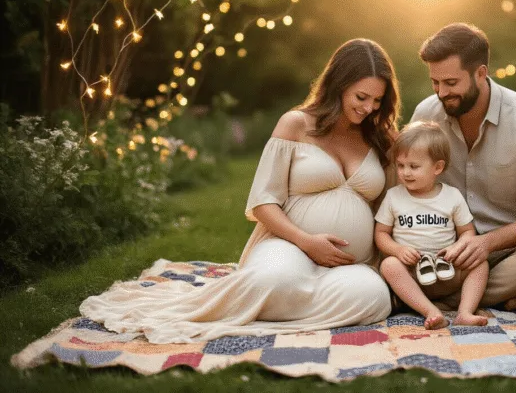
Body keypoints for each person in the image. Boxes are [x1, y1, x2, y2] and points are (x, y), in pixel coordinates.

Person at [79, 38, 400, 343]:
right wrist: (307, 242)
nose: (369, 108)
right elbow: (263, 202)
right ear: (339, 84)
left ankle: (268, 310)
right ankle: (277, 300)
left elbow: (396, 205)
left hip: (350, 263)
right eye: (361, 97)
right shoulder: (297, 124)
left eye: (377, 100)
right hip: (290, 245)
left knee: (372, 298)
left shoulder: (380, 139)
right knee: (274, 281)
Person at [410, 23, 516, 309]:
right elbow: (406, 174)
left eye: (451, 83)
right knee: (401, 263)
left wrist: (488, 243)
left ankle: (438, 300)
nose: (442, 92)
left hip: (511, 249)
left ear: (480, 74)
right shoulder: (426, 115)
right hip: (446, 249)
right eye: (436, 82)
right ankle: (493, 297)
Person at [375, 121, 489, 329]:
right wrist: (398, 250)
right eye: (400, 165)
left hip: (447, 271)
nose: (405, 173)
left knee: (480, 263)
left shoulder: (451, 196)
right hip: (412, 274)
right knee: (388, 265)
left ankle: (465, 312)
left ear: (438, 167)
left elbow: (467, 232)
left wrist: (457, 248)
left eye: (414, 166)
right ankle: (431, 311)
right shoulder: (394, 197)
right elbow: (381, 233)